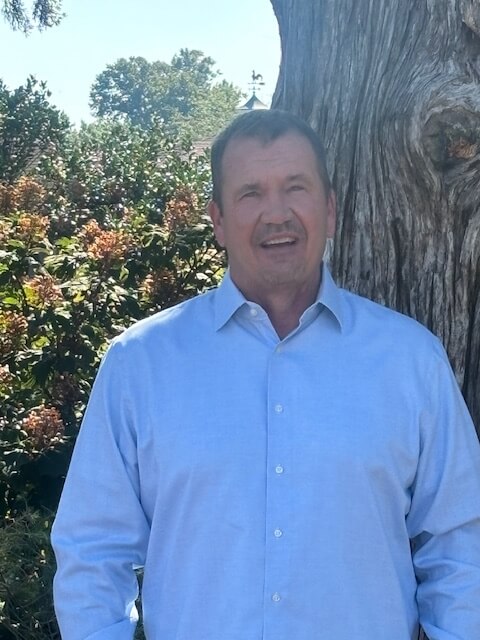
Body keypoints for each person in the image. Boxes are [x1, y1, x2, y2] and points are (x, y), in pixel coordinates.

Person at [51, 109, 480, 640]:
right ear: (219, 220)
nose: (276, 213)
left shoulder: (411, 361)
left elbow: (462, 547)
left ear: (329, 207)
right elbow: (92, 550)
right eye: (250, 193)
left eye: (295, 187)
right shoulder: (140, 364)